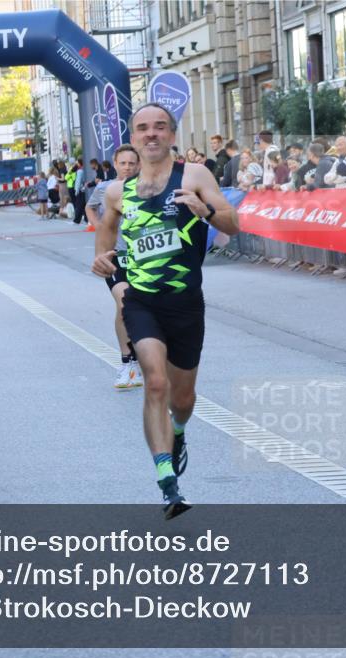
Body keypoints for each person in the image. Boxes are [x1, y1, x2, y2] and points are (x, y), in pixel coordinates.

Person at [91, 102, 240, 519]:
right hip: (142, 301)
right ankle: (167, 483)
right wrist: (112, 276)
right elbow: (104, 244)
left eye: (159, 127)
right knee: (155, 382)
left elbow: (233, 224)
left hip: (186, 303)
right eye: (143, 129)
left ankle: (178, 433)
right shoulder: (118, 191)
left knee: (183, 397)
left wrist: (204, 208)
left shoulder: (193, 176)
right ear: (134, 138)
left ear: (172, 134)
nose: (151, 134)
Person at [88, 145, 144, 389]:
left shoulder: (146, 189)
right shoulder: (105, 189)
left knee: (144, 306)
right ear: (115, 163)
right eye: (123, 163)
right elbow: (90, 207)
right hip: (115, 255)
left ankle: (146, 353)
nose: (128, 167)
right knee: (123, 302)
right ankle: (128, 363)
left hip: (142, 257)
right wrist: (98, 226)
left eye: (132, 163)